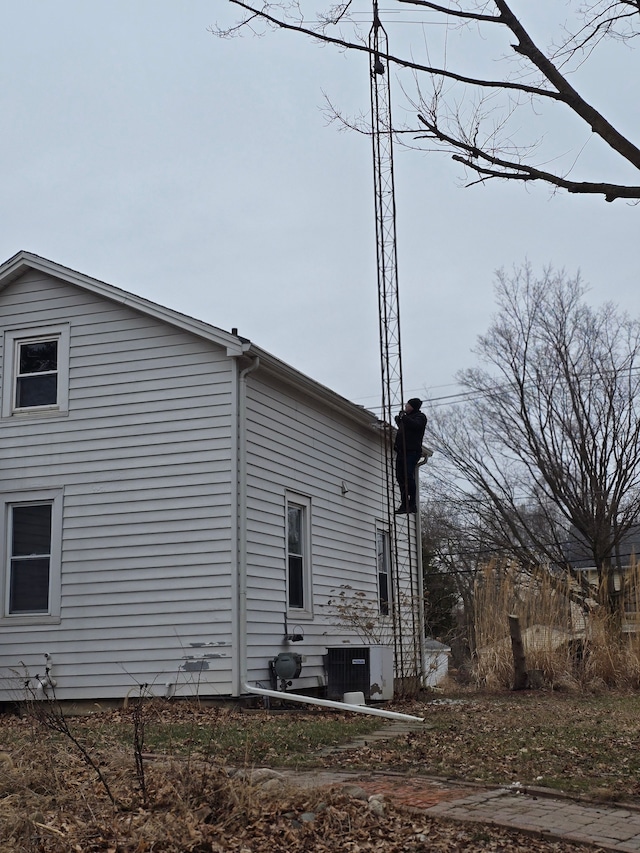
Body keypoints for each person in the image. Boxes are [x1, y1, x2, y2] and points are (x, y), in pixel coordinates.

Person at [394, 398, 427, 514]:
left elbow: (416, 426)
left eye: (407, 405)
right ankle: (405, 503)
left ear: (412, 406)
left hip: (412, 451)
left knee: (408, 475)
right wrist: (399, 419)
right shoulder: (407, 418)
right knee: (400, 477)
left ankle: (412, 503)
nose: (405, 407)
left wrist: (404, 418)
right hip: (401, 451)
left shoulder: (420, 417)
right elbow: (403, 429)